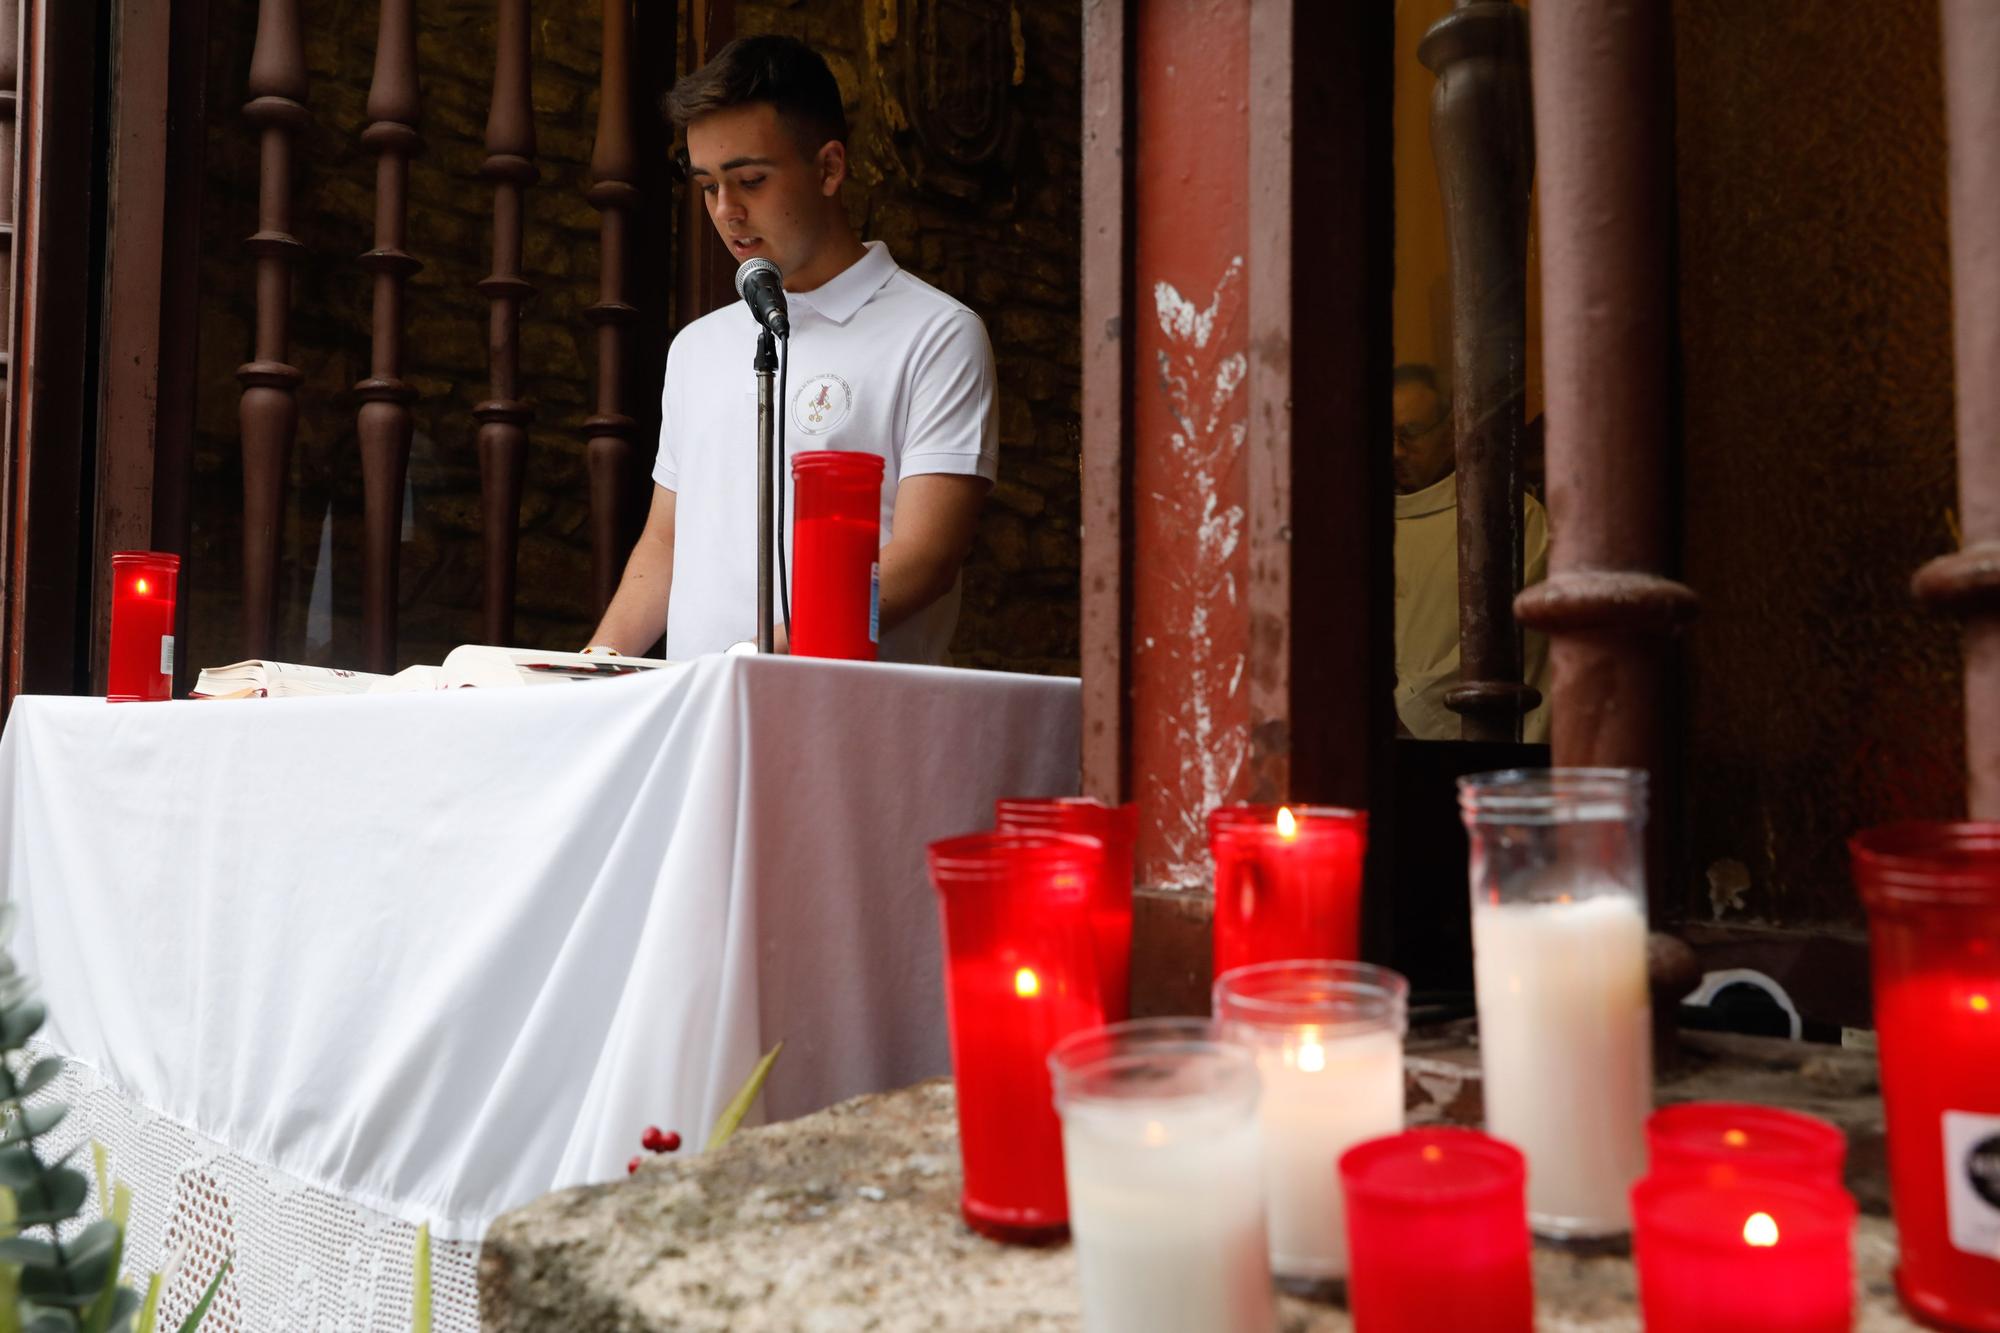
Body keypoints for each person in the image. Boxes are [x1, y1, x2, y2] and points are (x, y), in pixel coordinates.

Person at [586, 36, 997, 663]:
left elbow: (928, 556)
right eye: (706, 186)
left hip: (848, 725)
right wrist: (596, 665)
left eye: (750, 179)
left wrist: (771, 659)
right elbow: (667, 542)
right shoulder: (697, 347)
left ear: (830, 168)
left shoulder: (936, 332)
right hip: (700, 721)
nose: (726, 211)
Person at [1391, 363, 1552, 742]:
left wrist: (1404, 710)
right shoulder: (1352, 523)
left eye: (1410, 433)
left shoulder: (1505, 517)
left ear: (1451, 430)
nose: (1395, 451)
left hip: (1455, 750)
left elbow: (1510, 640)